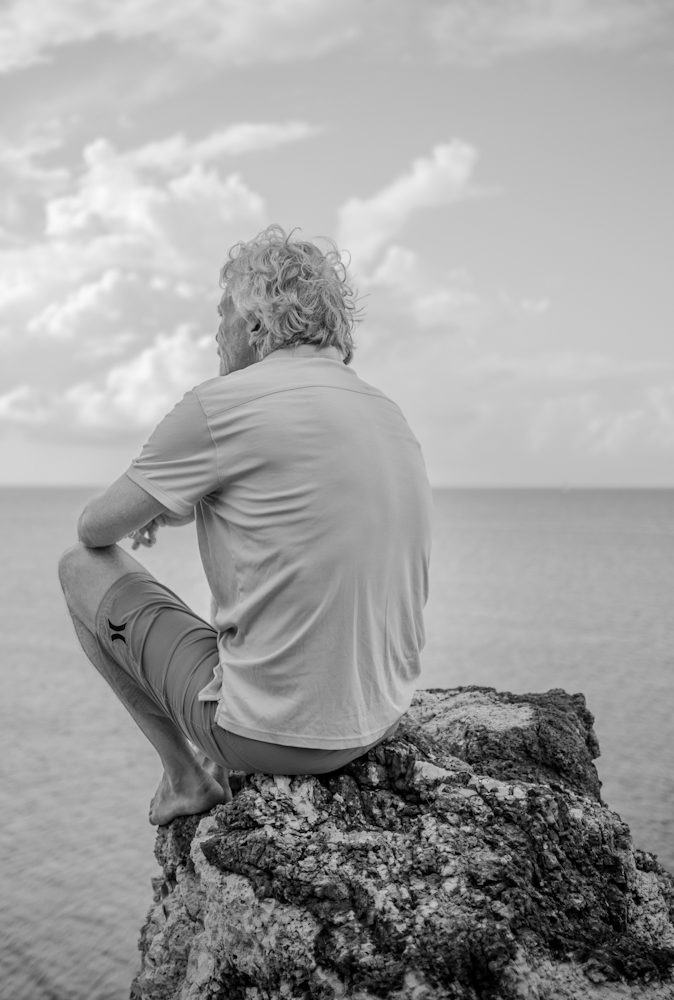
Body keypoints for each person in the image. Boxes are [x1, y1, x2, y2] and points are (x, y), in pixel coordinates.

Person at [56, 224, 432, 825]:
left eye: (222, 315)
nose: (215, 333)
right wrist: (177, 502)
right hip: (375, 720)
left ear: (255, 324)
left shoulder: (219, 404)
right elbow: (294, 494)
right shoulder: (388, 413)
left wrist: (157, 502)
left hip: (272, 737)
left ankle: (185, 777)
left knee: (78, 568)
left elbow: (95, 528)